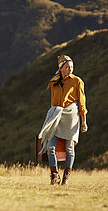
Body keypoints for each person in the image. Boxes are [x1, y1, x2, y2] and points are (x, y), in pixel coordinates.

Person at [38, 55, 88, 185]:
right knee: (50, 147)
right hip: (57, 116)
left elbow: (82, 102)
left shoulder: (77, 81)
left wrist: (84, 121)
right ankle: (54, 175)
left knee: (70, 148)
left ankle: (66, 177)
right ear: (60, 68)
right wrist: (52, 114)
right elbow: (53, 100)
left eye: (71, 67)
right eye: (67, 67)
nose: (70, 69)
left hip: (71, 117)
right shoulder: (54, 81)